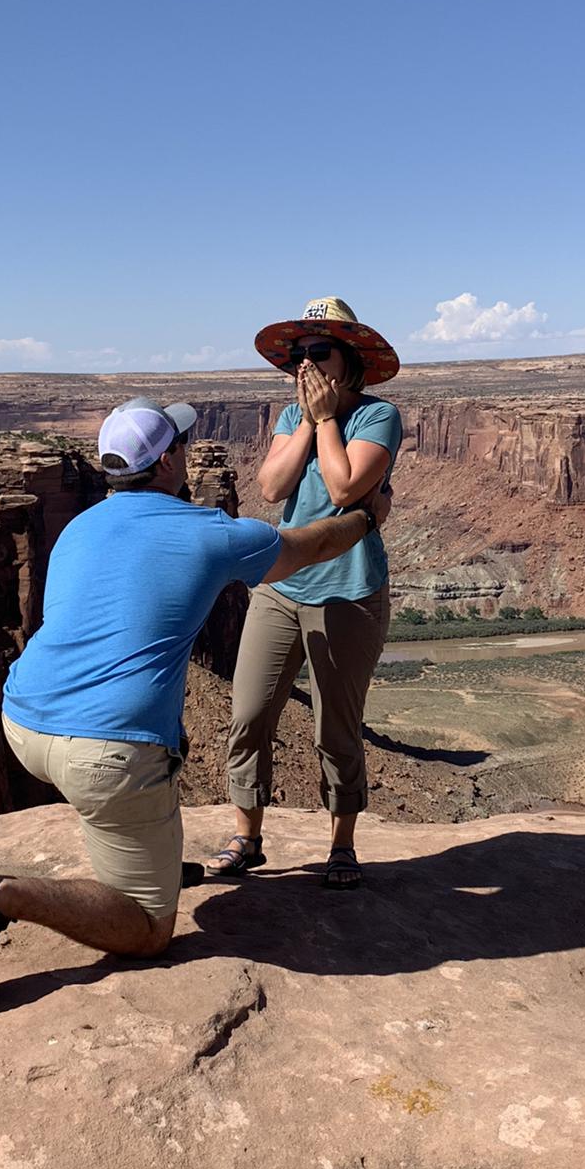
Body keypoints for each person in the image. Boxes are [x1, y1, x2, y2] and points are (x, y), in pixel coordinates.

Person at [0, 394, 393, 1003]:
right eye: (180, 442)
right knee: (152, 930)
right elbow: (307, 547)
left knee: (161, 741)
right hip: (104, 754)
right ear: (170, 461)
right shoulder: (208, 533)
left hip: (22, 721)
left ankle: (150, 853)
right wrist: (367, 517)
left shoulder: (79, 526)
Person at [206, 297, 402, 890]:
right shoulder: (291, 418)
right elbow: (269, 487)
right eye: (299, 356)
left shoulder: (377, 417)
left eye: (320, 352)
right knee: (248, 714)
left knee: (335, 729)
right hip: (280, 589)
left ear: (349, 360)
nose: (306, 365)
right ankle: (247, 836)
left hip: (347, 594)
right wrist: (305, 419)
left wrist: (323, 421)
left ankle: (341, 846)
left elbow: (345, 488)